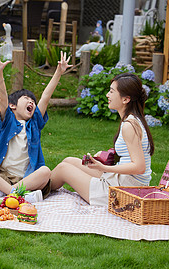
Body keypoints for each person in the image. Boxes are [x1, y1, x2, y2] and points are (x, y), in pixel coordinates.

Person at [0, 51, 72, 202]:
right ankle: (16, 193)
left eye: (33, 100)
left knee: (45, 172)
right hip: (3, 176)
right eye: (26, 99)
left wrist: (58, 72)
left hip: (26, 178)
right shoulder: (7, 121)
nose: (32, 102)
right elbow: (2, 97)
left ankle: (6, 192)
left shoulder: (35, 123)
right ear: (12, 105)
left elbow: (45, 97)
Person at [49, 73, 155, 206]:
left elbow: (139, 167)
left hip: (125, 191)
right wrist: (106, 157)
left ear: (125, 99)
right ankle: (38, 189)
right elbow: (131, 156)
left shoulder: (130, 125)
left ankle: (31, 192)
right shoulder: (132, 120)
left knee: (63, 169)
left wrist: (104, 167)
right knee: (68, 161)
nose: (107, 95)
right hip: (124, 182)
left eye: (112, 91)